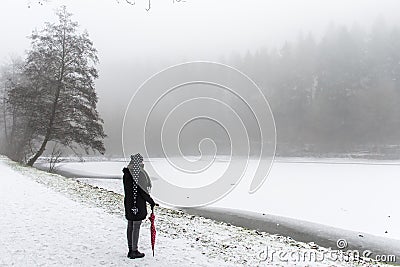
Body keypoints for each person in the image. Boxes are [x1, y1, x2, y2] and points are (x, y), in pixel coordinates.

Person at [122, 153, 156, 259]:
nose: (143, 164)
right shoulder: (139, 174)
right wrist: (151, 201)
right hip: (137, 204)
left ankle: (130, 249)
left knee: (130, 225)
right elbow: (142, 191)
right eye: (141, 162)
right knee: (136, 227)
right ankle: (134, 251)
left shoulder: (127, 173)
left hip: (128, 203)